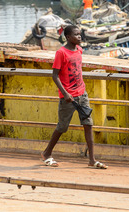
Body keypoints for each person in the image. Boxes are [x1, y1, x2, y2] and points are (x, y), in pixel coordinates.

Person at [41, 25, 108, 169]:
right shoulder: (61, 53)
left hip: (82, 94)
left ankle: (92, 159)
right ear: (68, 37)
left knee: (88, 124)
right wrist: (65, 93)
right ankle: (47, 153)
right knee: (62, 127)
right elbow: (54, 75)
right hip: (68, 97)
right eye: (76, 35)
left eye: (80, 34)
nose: (79, 37)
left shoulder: (79, 50)